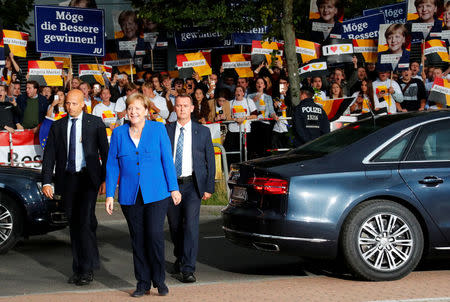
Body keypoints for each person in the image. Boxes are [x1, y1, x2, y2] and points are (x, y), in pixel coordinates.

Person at [105, 93, 180, 297]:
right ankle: (142, 282)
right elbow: (112, 165)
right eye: (130, 108)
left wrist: (174, 188)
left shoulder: (157, 129)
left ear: (146, 111)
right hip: (130, 195)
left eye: (138, 108)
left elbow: (167, 160)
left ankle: (159, 280)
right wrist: (110, 194)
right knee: (137, 239)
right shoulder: (119, 133)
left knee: (154, 236)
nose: (133, 112)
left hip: (157, 193)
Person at [41, 89, 109, 286]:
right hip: (67, 179)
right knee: (74, 224)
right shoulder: (58, 126)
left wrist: (106, 180)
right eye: (67, 103)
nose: (69, 107)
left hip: (88, 179)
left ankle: (86, 270)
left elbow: (105, 154)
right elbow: (50, 155)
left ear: (83, 104)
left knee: (85, 221)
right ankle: (79, 267)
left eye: (73, 103)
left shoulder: (95, 124)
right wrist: (47, 181)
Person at [166, 94, 215, 283]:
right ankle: (180, 256)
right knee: (175, 226)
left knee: (191, 227)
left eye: (185, 106)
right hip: (172, 186)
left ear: (192, 108)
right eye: (178, 106)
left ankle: (188, 268)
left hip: (193, 186)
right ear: (174, 108)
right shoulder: (167, 130)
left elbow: (210, 160)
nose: (182, 109)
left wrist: (208, 187)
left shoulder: (202, 131)